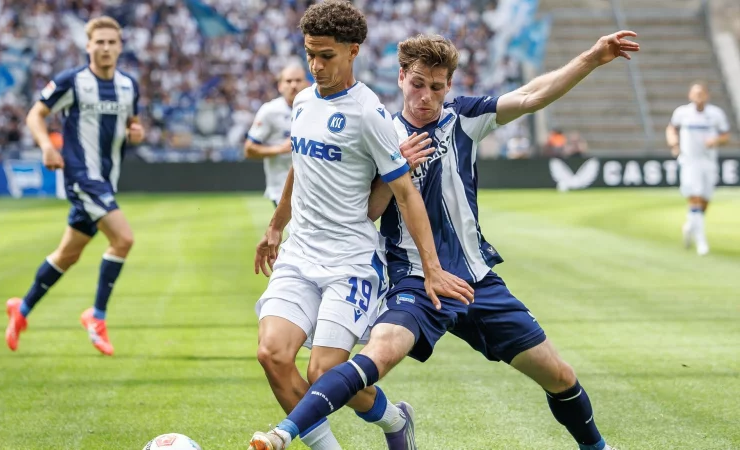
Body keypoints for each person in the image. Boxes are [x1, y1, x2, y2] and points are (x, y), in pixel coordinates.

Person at [250, 30, 640, 450]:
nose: (426, 97)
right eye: (418, 84)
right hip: (415, 282)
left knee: (560, 376)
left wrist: (591, 57)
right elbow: (367, 212)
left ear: (448, 86)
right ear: (401, 78)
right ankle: (285, 433)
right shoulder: (382, 129)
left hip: (477, 282)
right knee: (374, 356)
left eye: (436, 87)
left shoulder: (465, 116)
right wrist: (392, 169)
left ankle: (597, 448)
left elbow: (531, 95)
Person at [249, 2, 473, 450]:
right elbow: (299, 162)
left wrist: (430, 269)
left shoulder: (369, 114)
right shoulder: (302, 100)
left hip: (349, 259)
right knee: (272, 355)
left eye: (326, 55)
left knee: (325, 373)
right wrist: (276, 225)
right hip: (300, 251)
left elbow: (406, 194)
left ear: (353, 51)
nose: (315, 66)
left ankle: (394, 421)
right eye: (310, 53)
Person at [4, 16, 144, 356]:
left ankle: (21, 310)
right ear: (88, 46)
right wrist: (47, 146)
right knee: (123, 239)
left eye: (112, 42)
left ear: (120, 46)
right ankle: (96, 316)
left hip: (106, 180)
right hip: (82, 177)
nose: (106, 47)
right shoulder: (72, 82)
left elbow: (132, 123)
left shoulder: (129, 86)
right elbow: (35, 114)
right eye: (100, 42)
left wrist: (136, 132)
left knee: (67, 255)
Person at [666, 81, 731, 256]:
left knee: (705, 200)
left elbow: (726, 135)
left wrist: (716, 141)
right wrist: (673, 143)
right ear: (690, 96)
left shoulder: (716, 114)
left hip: (709, 161)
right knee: (694, 197)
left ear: (707, 95)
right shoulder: (682, 113)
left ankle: (689, 226)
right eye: (695, 93)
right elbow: (671, 128)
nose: (698, 96)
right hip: (690, 161)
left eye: (701, 93)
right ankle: (702, 242)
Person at [244, 65, 310, 206]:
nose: (293, 85)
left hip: (312, 187)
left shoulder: (317, 109)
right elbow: (249, 149)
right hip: (281, 187)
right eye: (288, 81)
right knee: (297, 228)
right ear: (280, 86)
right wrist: (279, 149)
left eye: (298, 80)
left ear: (307, 84)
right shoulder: (270, 111)